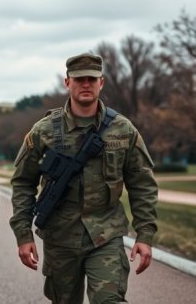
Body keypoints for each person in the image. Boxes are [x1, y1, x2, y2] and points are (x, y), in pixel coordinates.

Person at [9, 53, 158, 303]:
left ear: (102, 82)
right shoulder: (43, 131)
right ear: (67, 83)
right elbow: (23, 182)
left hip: (105, 234)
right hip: (60, 238)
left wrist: (145, 234)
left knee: (109, 299)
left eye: (92, 78)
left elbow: (142, 184)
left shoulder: (123, 130)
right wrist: (23, 235)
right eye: (79, 79)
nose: (86, 84)